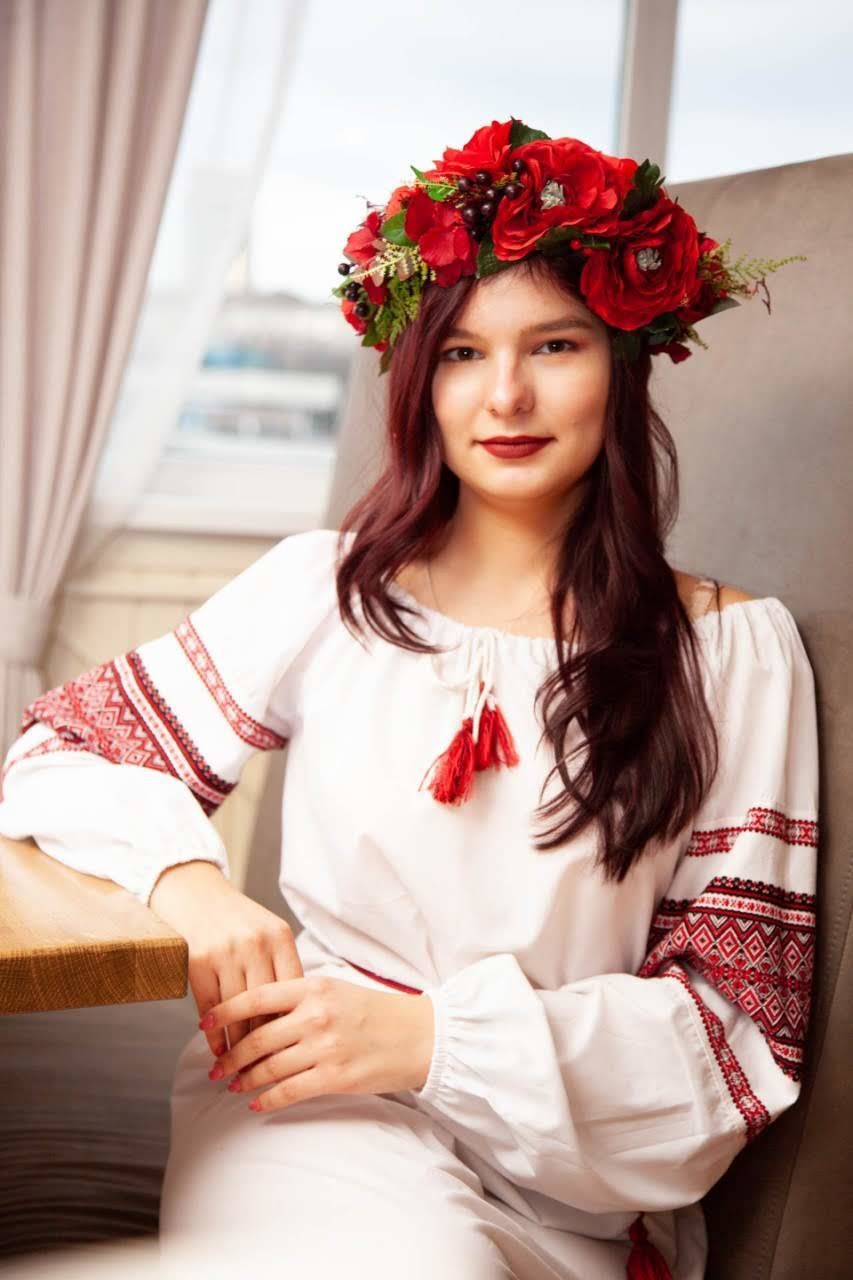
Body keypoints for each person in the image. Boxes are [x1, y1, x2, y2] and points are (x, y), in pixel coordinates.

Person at [0, 117, 818, 1280]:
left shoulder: (730, 651)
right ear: (416, 377)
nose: (508, 395)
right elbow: (55, 753)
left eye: (557, 345)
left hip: (567, 1179)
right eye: (461, 354)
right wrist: (189, 886)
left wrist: (431, 1038)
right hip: (309, 1106)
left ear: (625, 359)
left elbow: (737, 1039)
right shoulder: (323, 590)